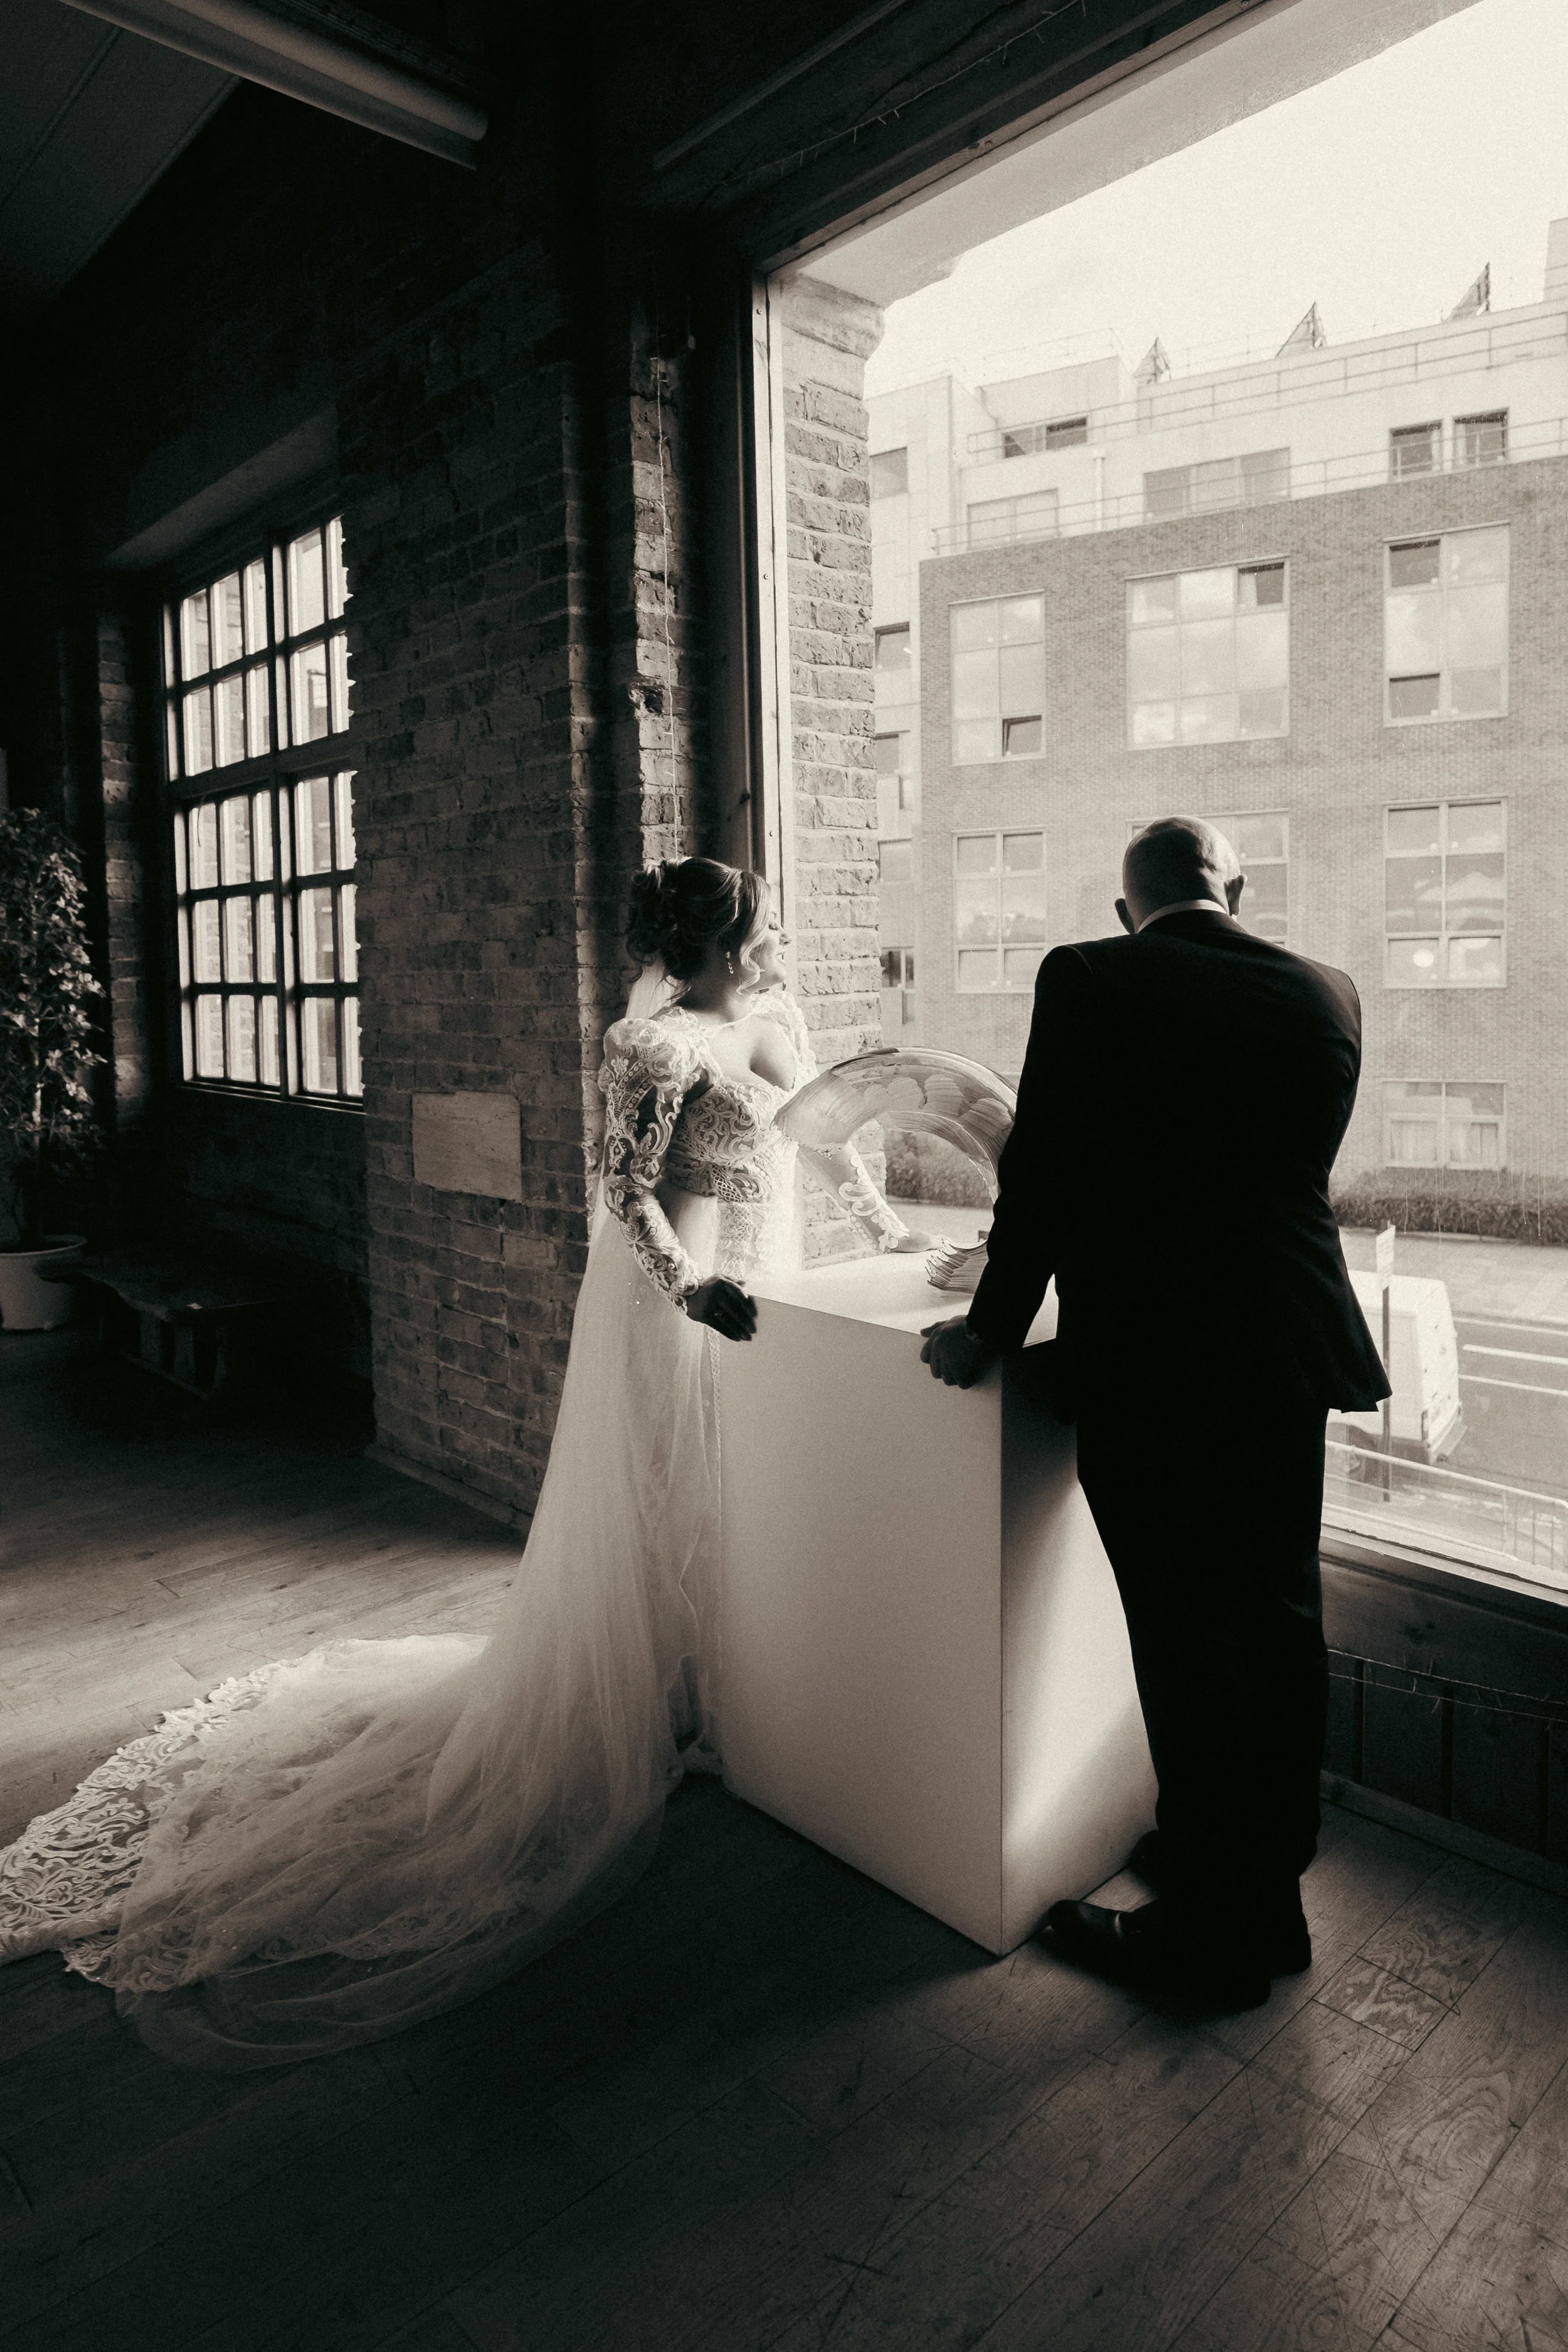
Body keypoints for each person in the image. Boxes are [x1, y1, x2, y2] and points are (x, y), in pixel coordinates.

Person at [0, 857, 903, 2067]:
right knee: (669, 1487)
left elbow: (830, 1142)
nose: (780, 935)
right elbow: (623, 1190)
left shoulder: (781, 1021)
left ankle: (738, 1683)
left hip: (774, 1276)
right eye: (760, 924)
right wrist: (693, 1292)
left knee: (749, 1489)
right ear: (712, 944)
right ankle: (665, 1697)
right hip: (688, 1290)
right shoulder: (653, 1043)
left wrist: (896, 1234)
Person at [921, 816, 1389, 2011]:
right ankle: (1265, 1894)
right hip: (1289, 1349)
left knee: (1185, 1638)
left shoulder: (1090, 974)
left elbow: (1048, 1174)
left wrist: (988, 1324)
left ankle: (1212, 1935)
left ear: (1127, 907)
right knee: (1277, 1624)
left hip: (1161, 1360)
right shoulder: (1326, 991)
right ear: (1232, 888)